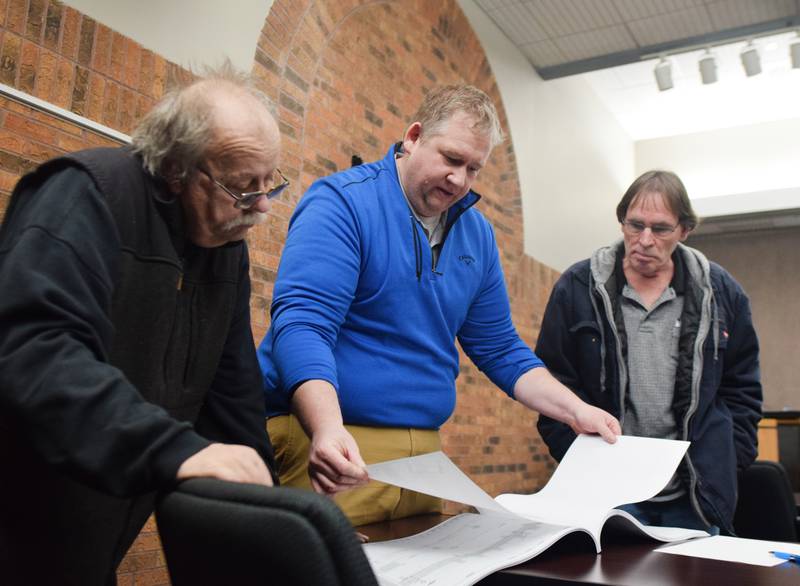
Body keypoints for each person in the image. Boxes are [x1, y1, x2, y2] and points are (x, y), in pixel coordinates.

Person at [258, 84, 621, 526]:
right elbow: (304, 325)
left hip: (422, 462)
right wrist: (326, 428)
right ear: (413, 137)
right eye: (451, 159)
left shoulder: (477, 235)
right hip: (330, 440)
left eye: (473, 168)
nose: (460, 180)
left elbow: (500, 348)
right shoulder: (343, 202)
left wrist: (575, 410)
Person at [0, 65, 286, 585]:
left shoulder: (224, 248)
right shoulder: (85, 195)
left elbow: (232, 400)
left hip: (90, 540)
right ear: (178, 169)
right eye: (244, 187)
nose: (262, 206)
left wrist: (280, 519)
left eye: (271, 183)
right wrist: (176, 451)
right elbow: (37, 355)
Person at [535, 170, 762, 535]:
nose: (644, 240)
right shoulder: (577, 288)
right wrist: (580, 461)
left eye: (660, 229)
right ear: (621, 221)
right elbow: (553, 384)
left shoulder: (722, 293)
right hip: (606, 490)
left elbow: (742, 391)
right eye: (635, 225)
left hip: (694, 495)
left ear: (684, 230)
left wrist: (727, 461)